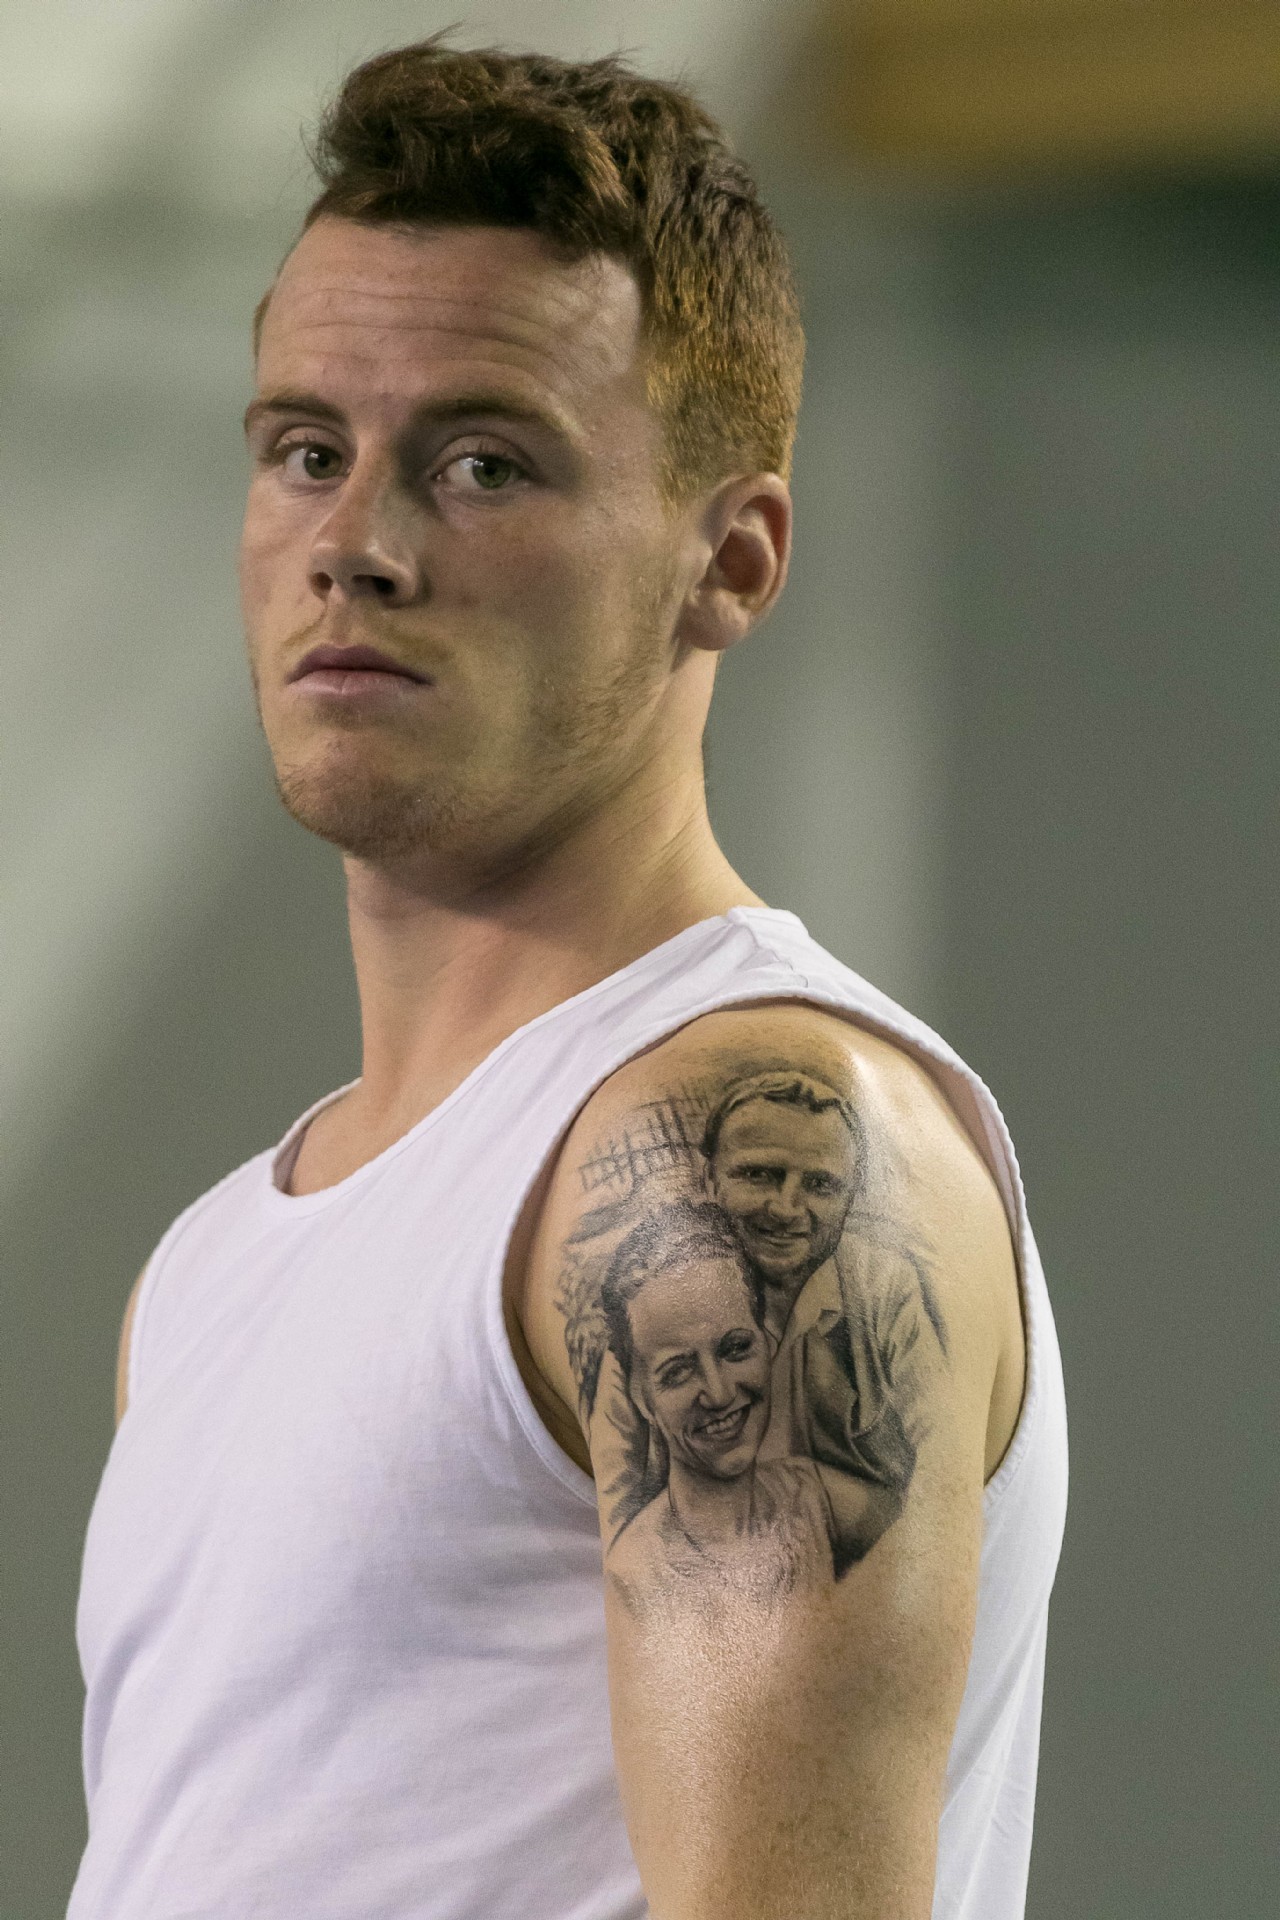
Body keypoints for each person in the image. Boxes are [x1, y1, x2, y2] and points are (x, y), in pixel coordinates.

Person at [70, 35, 1067, 1920]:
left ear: (731, 560)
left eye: (483, 464)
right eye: (306, 452)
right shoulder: (213, 1263)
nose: (354, 547)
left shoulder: (728, 1152)